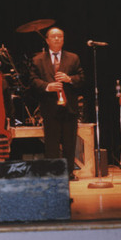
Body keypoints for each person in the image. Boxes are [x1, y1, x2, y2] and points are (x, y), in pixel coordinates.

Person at [29, 27, 85, 180]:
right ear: (47, 40)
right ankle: (54, 173)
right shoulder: (38, 59)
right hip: (49, 106)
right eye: (53, 37)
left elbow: (81, 78)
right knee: (51, 143)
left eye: (60, 36)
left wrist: (69, 79)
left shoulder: (73, 58)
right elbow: (33, 81)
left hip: (69, 107)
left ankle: (68, 173)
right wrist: (48, 86)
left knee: (69, 141)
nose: (57, 39)